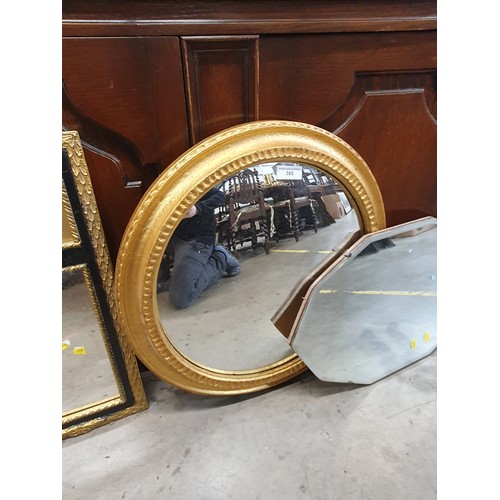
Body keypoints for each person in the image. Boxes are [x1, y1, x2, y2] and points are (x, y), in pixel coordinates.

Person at [157, 186, 240, 308]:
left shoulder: (193, 182)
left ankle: (220, 257)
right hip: (173, 238)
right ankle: (168, 278)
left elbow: (220, 196)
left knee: (181, 298)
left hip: (196, 241)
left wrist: (197, 208)